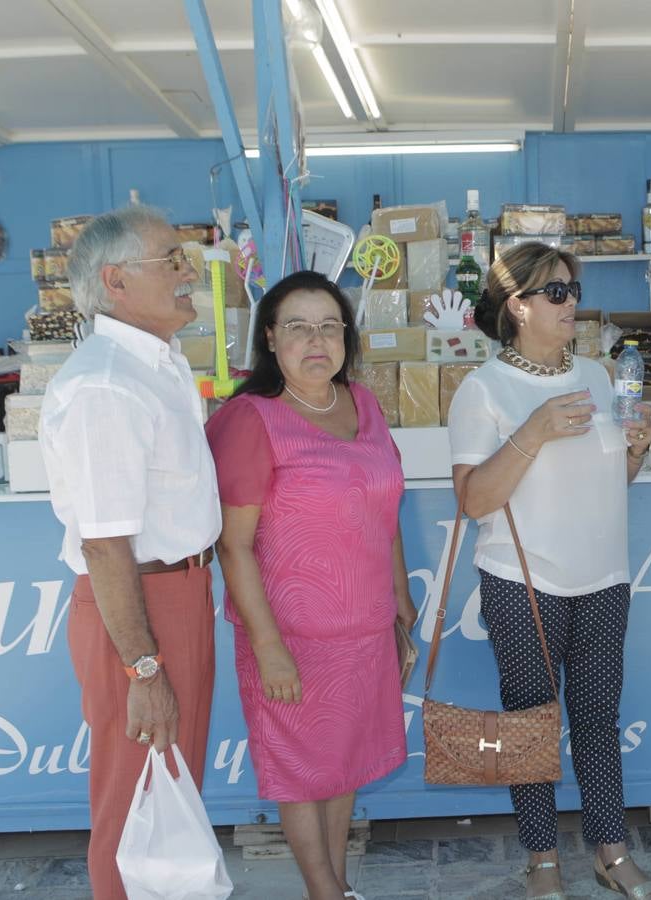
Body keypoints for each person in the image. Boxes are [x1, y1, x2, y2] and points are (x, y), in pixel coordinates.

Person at [446, 242, 651, 900]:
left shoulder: (599, 376)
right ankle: (541, 857)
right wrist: (534, 431)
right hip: (522, 577)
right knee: (528, 722)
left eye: (574, 289)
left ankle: (610, 849)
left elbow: (613, 481)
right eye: (558, 293)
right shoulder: (483, 389)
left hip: (603, 574)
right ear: (517, 305)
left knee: (599, 716)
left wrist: (638, 449)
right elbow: (474, 499)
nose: (573, 303)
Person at [205, 270, 414, 900]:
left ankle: (336, 886)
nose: (315, 340)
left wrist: (400, 609)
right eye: (297, 326)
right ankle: (325, 891)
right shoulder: (251, 418)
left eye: (329, 326)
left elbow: (386, 515)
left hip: (366, 628)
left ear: (347, 337)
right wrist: (268, 645)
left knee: (344, 761)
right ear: (270, 338)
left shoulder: (364, 404)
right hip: (291, 633)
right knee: (301, 769)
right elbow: (232, 544)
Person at [39, 206, 221, 899]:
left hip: (177, 595)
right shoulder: (106, 385)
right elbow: (106, 544)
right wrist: (143, 666)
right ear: (115, 281)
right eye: (170, 260)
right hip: (140, 607)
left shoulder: (154, 365)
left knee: (172, 794)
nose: (188, 272)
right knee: (136, 802)